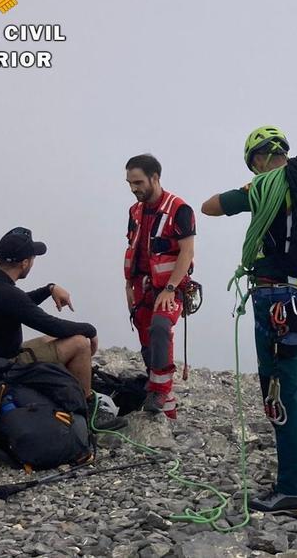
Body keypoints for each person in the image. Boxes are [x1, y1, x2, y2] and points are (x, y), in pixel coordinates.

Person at [201, 126, 297, 514]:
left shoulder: (266, 184)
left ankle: (291, 490)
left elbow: (210, 206)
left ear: (260, 158)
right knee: (296, 385)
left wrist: (251, 187)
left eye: (254, 163)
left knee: (278, 391)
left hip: (274, 298)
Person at [0, 227, 125, 430]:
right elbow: (51, 325)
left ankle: (71, 394)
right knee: (79, 343)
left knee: (49, 342)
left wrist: (49, 289)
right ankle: (88, 412)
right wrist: (90, 330)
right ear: (24, 263)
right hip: (1, 369)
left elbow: (21, 304)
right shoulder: (5, 292)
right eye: (33, 258)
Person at [124, 153, 195, 419]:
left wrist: (170, 288)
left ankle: (159, 390)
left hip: (170, 287)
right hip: (141, 286)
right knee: (147, 341)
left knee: (161, 328)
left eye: (138, 182)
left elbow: (186, 252)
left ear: (155, 178)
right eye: (130, 183)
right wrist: (129, 288)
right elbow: (132, 248)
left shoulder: (179, 209)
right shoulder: (135, 211)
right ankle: (166, 414)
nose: (134, 188)